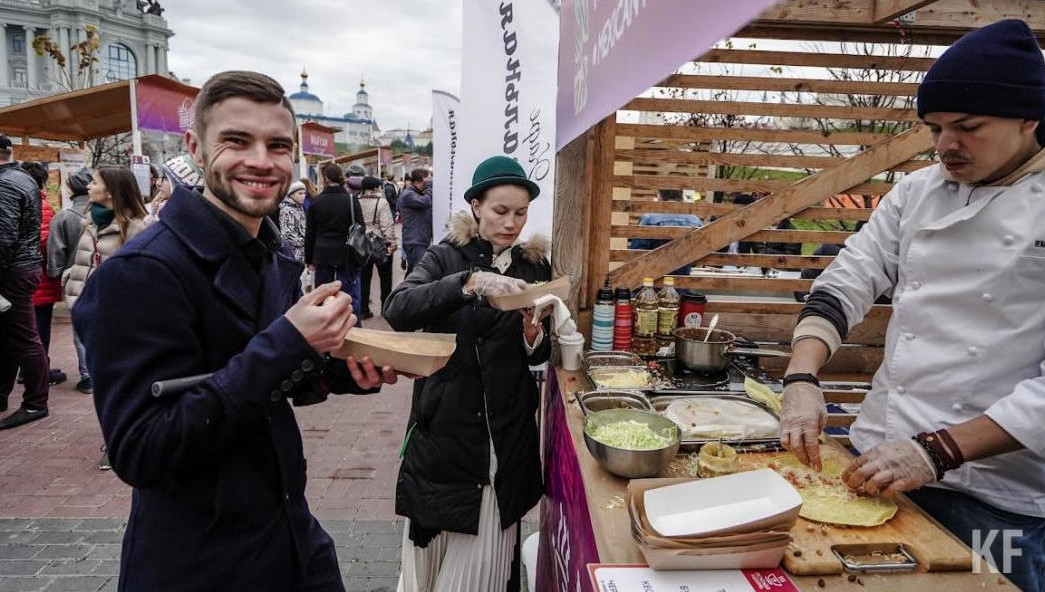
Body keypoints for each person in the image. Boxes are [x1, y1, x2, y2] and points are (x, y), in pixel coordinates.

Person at [73, 70, 398, 591]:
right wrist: (291, 341)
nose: (262, 160)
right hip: (200, 562)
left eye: (278, 145)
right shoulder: (139, 274)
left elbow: (257, 376)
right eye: (236, 141)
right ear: (195, 149)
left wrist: (334, 369)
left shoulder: (270, 253)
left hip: (289, 537)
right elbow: (141, 449)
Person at [779, 20, 1045, 592]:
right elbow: (846, 281)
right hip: (876, 458)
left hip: (999, 496)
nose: (945, 144)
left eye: (967, 127)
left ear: (1030, 119)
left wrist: (940, 449)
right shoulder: (917, 192)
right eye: (935, 127)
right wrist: (801, 377)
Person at [385, 155, 550, 592]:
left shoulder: (534, 267)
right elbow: (398, 309)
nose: (511, 222)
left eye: (520, 213)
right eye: (500, 210)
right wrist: (469, 282)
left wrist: (534, 337)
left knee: (484, 577)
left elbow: (540, 353)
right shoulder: (444, 257)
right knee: (425, 571)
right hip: (445, 438)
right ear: (476, 206)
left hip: (505, 441)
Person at [0, 135, 50, 430]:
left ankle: (35, 403)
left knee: (23, 338)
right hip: (22, 269)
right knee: (10, 337)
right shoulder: (21, 178)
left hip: (13, 273)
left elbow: (3, 237)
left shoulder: (5, 183)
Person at [47, 167, 93, 393]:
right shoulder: (106, 212)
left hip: (75, 278)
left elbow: (55, 250)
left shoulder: (64, 217)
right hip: (104, 276)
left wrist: (55, 274)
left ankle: (88, 375)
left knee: (80, 329)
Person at [20, 162, 65, 386]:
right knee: (39, 328)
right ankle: (40, 373)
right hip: (40, 278)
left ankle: (27, 370)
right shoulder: (42, 206)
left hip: (20, 278)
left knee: (25, 327)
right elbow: (47, 243)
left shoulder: (14, 201)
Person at [305, 163, 366, 320]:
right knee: (350, 292)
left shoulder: (316, 202)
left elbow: (310, 232)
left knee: (322, 293)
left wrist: (309, 259)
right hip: (347, 253)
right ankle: (353, 325)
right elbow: (361, 227)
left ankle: (324, 323)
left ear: (325, 179)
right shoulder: (351, 201)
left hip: (322, 253)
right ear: (341, 178)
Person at [628, 188, 703, 276]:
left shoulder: (649, 218)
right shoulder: (694, 220)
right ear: (682, 198)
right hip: (682, 278)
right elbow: (701, 248)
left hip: (652, 278)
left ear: (659, 197)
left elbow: (637, 251)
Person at [358, 176, 396, 320]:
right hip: (380, 243)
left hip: (362, 244)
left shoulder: (357, 201)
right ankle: (386, 309)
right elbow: (387, 226)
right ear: (375, 188)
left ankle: (363, 309)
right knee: (385, 278)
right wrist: (391, 245)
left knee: (364, 278)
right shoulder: (382, 203)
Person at [398, 168, 433, 274]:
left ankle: (407, 290)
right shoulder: (408, 195)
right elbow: (425, 202)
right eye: (426, 182)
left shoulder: (419, 193)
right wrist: (431, 187)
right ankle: (405, 290)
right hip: (415, 240)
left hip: (420, 239)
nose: (428, 184)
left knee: (416, 271)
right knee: (416, 272)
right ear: (417, 182)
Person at [279, 180, 307, 263]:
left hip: (302, 252)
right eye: (300, 193)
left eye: (304, 193)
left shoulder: (299, 208)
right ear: (291, 194)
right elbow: (287, 234)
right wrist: (304, 241)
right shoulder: (286, 210)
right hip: (294, 253)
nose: (303, 196)